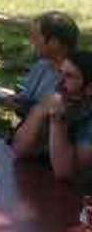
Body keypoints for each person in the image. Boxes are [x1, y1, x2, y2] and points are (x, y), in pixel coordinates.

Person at [13, 51, 92, 181]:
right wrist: (39, 111)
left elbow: (65, 172)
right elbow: (19, 149)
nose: (60, 81)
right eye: (60, 73)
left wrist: (57, 121)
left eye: (69, 76)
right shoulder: (61, 96)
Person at [9, 11, 79, 119]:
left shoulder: (78, 75)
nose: (32, 42)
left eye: (36, 37)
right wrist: (17, 102)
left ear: (54, 42)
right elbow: (25, 99)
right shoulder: (41, 65)